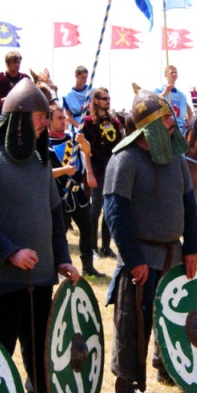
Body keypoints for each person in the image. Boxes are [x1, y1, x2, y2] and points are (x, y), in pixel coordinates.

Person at [0, 78, 80, 393]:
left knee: (43, 351)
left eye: (47, 115)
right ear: (18, 119)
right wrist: (10, 252)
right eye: (39, 115)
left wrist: (61, 258)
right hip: (4, 280)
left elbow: (54, 214)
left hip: (42, 277)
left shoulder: (41, 160)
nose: (46, 121)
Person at [104, 88, 197, 393]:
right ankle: (126, 383)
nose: (172, 123)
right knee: (134, 319)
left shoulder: (175, 160)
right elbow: (115, 214)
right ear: (148, 125)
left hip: (173, 251)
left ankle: (168, 366)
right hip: (141, 254)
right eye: (165, 120)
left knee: (173, 314)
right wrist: (133, 259)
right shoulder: (125, 159)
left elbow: (189, 206)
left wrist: (191, 249)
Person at [47, 104, 102, 277]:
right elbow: (44, 174)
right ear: (49, 121)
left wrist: (83, 142)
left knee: (87, 229)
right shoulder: (44, 144)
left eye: (64, 117)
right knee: (59, 235)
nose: (64, 121)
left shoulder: (72, 137)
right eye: (59, 118)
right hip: (58, 197)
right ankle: (59, 267)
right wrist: (64, 171)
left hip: (77, 195)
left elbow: (87, 151)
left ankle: (88, 266)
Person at [80, 87, 123, 259]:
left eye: (109, 97)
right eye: (104, 98)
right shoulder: (88, 123)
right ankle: (92, 247)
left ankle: (106, 246)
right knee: (95, 209)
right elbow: (85, 151)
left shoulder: (115, 122)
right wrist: (89, 173)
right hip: (97, 170)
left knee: (109, 210)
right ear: (96, 101)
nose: (108, 101)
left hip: (112, 170)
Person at [0, 50, 29, 128]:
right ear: (8, 64)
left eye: (19, 62)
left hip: (22, 115)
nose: (17, 65)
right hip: (2, 115)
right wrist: (1, 101)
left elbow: (29, 98)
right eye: (14, 62)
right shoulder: (0, 78)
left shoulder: (24, 78)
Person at [155, 65, 193, 135]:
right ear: (165, 74)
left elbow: (188, 108)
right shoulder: (159, 90)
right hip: (164, 127)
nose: (174, 74)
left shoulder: (182, 95)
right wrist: (165, 92)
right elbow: (154, 102)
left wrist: (189, 120)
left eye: (175, 72)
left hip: (180, 128)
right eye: (172, 72)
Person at [63, 66, 90, 130]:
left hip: (91, 123)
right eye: (83, 77)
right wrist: (79, 127)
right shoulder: (68, 96)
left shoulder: (91, 91)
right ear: (76, 75)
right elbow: (68, 116)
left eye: (86, 77)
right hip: (76, 126)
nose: (85, 80)